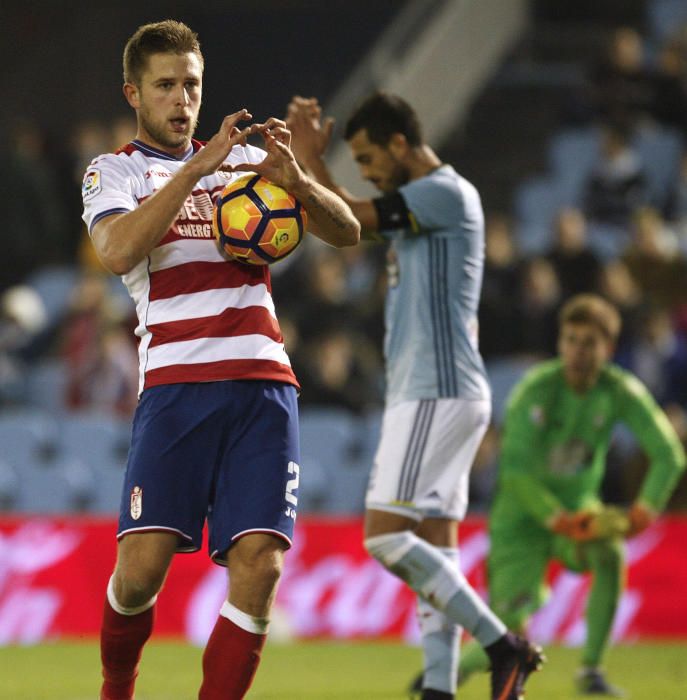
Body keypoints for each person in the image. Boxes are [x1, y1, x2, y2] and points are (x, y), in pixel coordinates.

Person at [81, 20, 359, 700]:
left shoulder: (243, 168)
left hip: (263, 385)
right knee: (140, 575)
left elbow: (346, 231)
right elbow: (117, 252)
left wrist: (295, 179)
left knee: (260, 567)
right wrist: (193, 173)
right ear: (134, 94)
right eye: (166, 85)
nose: (182, 99)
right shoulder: (114, 171)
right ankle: (117, 688)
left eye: (192, 85)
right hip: (177, 389)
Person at [287, 91, 544, 700]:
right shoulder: (423, 205)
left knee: (383, 536)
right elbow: (347, 227)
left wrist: (300, 171)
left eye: (371, 158)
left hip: (436, 388)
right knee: (434, 547)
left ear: (401, 144)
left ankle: (503, 646)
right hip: (438, 390)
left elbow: (353, 213)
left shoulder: (444, 194)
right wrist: (312, 170)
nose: (369, 172)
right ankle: (438, 687)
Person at [456, 294, 686, 696]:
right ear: (560, 343)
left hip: (577, 511)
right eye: (571, 340)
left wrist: (644, 512)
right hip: (522, 518)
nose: (578, 351)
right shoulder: (536, 390)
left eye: (589, 342)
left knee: (610, 554)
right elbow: (515, 474)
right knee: (510, 634)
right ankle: (448, 675)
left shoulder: (619, 391)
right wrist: (556, 518)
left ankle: (591, 671)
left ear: (608, 349)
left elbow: (669, 455)